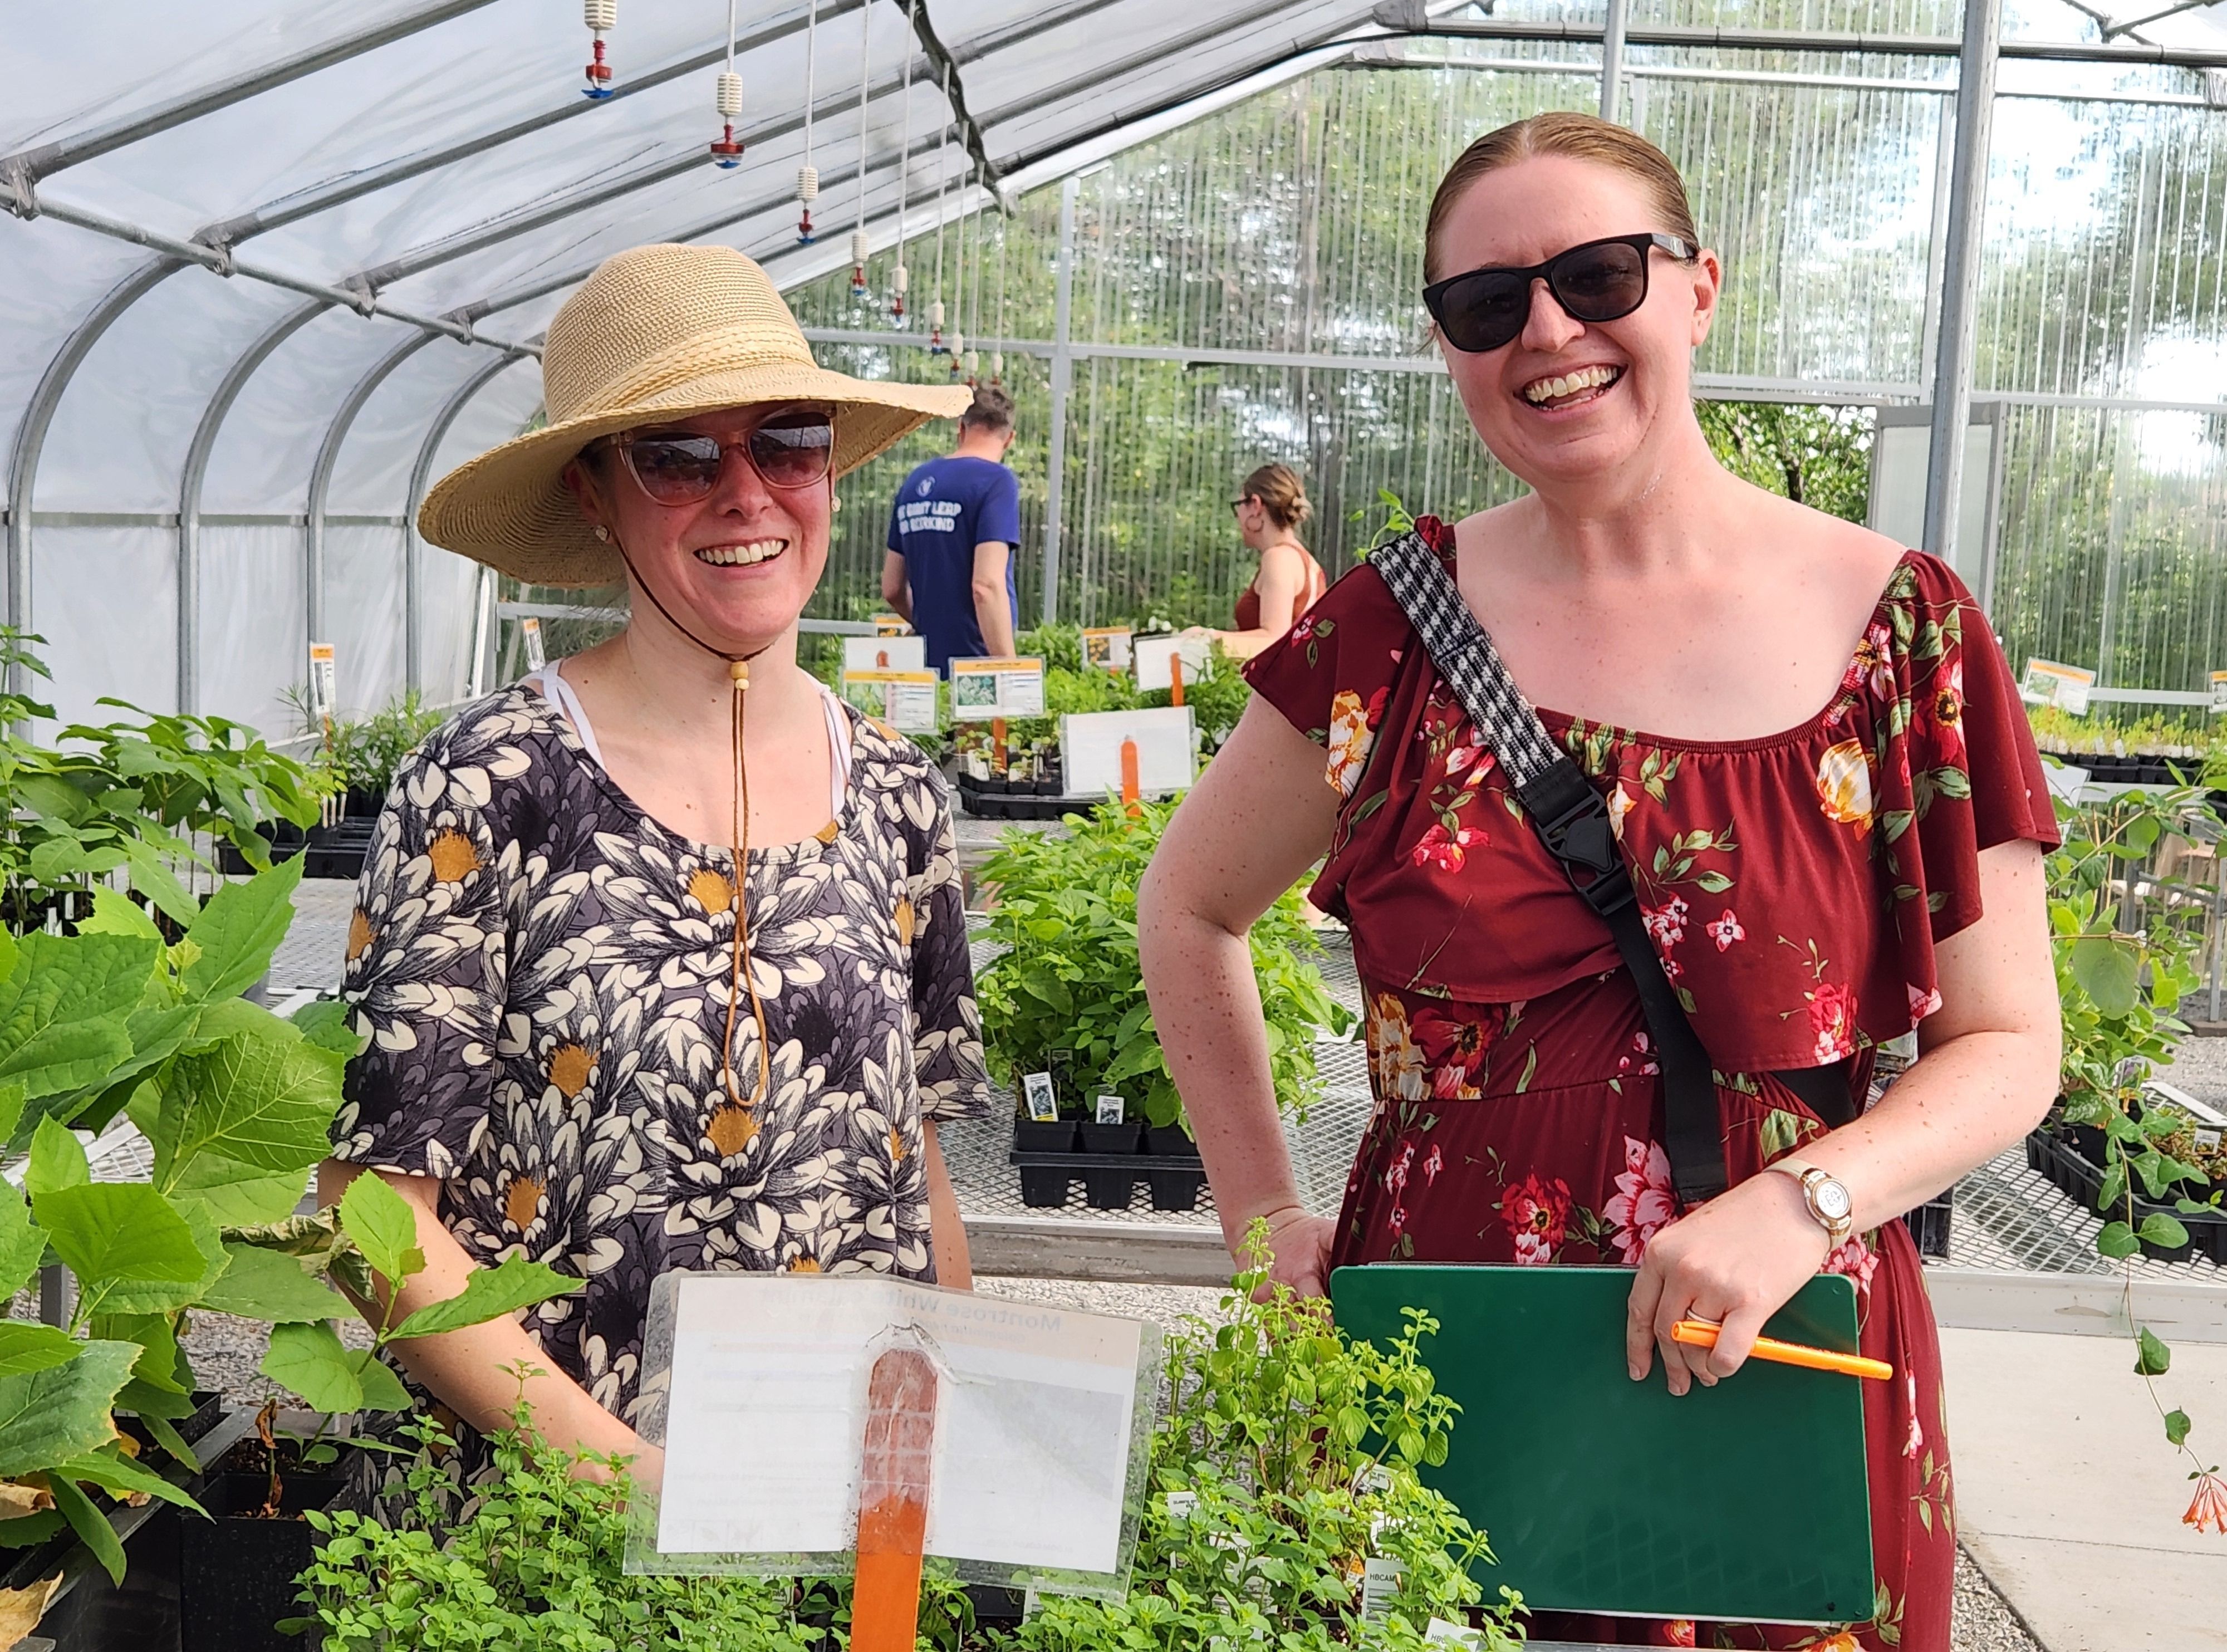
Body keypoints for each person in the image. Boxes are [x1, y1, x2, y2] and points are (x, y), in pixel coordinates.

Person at [1137, 113, 2059, 1651]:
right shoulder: (1390, 634)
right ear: (1450, 348)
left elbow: (2010, 1041)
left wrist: (1804, 1201)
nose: (1549, 331)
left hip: (1772, 1337)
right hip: (1441, 1347)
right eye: (1488, 306)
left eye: (1598, 274)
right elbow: (1190, 907)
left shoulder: (1902, 637)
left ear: (1700, 289)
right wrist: (1260, 1222)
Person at [323, 243, 993, 1482]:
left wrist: (937, 1472)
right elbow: (378, 1219)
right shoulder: (491, 783)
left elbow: (922, 1173)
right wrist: (631, 1485)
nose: (745, 494)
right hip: (542, 1542)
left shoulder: (897, 792)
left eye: (785, 441)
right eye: (680, 456)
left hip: (836, 1520)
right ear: (592, 491)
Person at [882, 384, 1021, 673]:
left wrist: (927, 623)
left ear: (961, 428)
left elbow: (892, 588)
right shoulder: (997, 482)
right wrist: (1008, 670)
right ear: (1009, 439)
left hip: (925, 670)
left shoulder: (915, 483)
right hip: (976, 668)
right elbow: (986, 586)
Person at [1199, 463, 1328, 661]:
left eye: (1239, 506)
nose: (1238, 518)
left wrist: (1204, 640)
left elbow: (1274, 640)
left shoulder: (1279, 558)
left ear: (1256, 506)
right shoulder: (1308, 563)